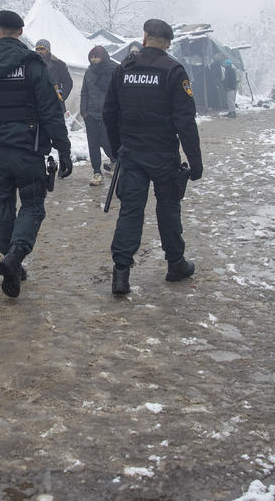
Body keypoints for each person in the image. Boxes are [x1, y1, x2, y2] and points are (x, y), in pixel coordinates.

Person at [0, 11, 72, 298]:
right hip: (28, 149)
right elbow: (51, 111)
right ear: (21, 31)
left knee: (3, 203)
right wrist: (64, 149)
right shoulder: (33, 65)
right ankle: (14, 257)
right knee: (33, 206)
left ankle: (10, 259)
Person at [103, 19, 203, 295]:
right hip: (163, 155)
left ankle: (121, 274)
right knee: (168, 210)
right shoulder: (174, 71)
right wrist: (195, 162)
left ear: (144, 37)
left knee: (131, 211)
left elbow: (108, 113)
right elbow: (185, 121)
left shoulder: (124, 69)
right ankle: (175, 264)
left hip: (132, 155)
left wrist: (116, 149)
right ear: (169, 43)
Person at [79, 45, 117, 186]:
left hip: (108, 115)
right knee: (93, 143)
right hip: (91, 115)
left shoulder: (114, 71)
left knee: (107, 142)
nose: (94, 60)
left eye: (96, 57)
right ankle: (97, 172)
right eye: (92, 57)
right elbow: (84, 92)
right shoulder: (89, 73)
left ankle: (114, 162)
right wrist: (84, 112)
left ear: (104, 56)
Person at [34, 39, 73, 108]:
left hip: (55, 106)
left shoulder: (59, 65)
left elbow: (68, 82)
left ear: (48, 50)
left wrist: (60, 97)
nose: (39, 51)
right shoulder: (32, 64)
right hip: (37, 105)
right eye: (37, 49)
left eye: (42, 49)